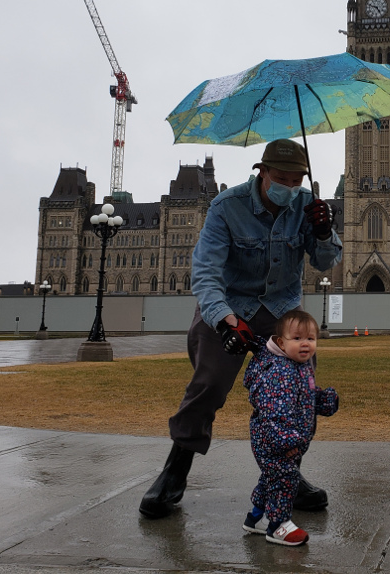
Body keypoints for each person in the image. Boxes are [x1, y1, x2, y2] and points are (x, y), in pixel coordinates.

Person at [139, 139, 342, 519]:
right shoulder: (225, 207)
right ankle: (175, 469)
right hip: (231, 305)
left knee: (295, 393)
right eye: (280, 178)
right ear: (261, 172)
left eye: (296, 180)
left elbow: (326, 261)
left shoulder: (305, 206)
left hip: (281, 309)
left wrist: (325, 231)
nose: (288, 187)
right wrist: (225, 320)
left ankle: (286, 476)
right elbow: (205, 272)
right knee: (209, 383)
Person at [241, 310, 338, 545]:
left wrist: (323, 400)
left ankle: (256, 519)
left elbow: (303, 396)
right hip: (275, 441)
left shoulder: (297, 366)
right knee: (284, 479)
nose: (305, 344)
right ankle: (278, 525)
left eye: (310, 339)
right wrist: (288, 442)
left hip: (284, 440)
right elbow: (275, 413)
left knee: (271, 478)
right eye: (297, 339)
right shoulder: (279, 372)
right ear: (282, 343)